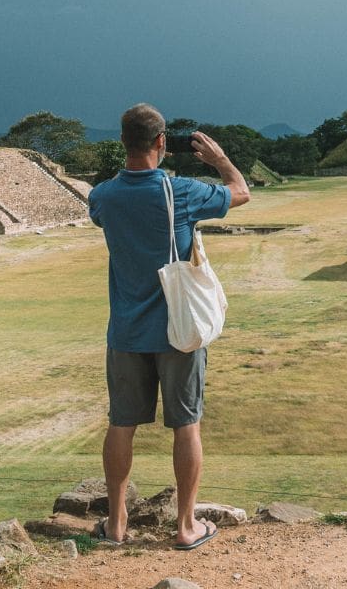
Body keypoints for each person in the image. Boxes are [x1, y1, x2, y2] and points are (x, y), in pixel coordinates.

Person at [88, 103, 250, 549]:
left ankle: (117, 524)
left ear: (122, 141)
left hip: (125, 331)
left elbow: (104, 217)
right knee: (186, 424)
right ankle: (185, 526)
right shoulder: (180, 192)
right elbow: (240, 192)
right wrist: (218, 160)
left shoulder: (101, 196)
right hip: (179, 330)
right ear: (162, 143)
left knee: (121, 423)